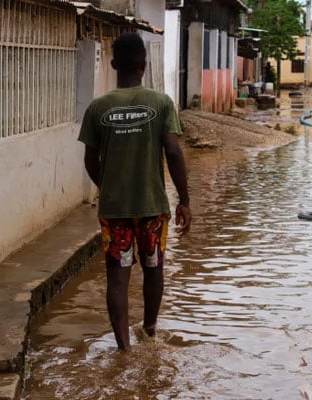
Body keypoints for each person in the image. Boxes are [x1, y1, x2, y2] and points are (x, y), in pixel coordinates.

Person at [78, 33, 191, 351]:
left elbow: (90, 159)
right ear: (144, 64)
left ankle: (124, 349)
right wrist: (184, 200)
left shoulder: (98, 107)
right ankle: (151, 332)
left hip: (115, 210)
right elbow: (172, 150)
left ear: (113, 64)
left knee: (117, 275)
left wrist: (110, 187)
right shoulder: (161, 102)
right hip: (153, 206)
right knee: (154, 267)